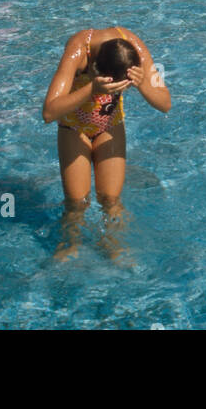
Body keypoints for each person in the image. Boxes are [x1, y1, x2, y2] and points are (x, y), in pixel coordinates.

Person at [42, 27, 171, 253]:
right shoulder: (78, 51)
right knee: (77, 204)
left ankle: (113, 247)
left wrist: (142, 85)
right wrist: (92, 88)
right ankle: (69, 247)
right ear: (93, 69)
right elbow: (49, 112)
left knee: (111, 200)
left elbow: (165, 104)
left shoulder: (133, 47)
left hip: (109, 125)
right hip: (74, 128)